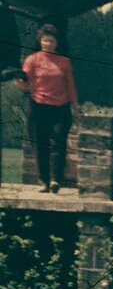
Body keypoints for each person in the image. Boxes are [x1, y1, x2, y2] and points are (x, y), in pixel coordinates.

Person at [16, 24, 78, 193]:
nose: (48, 44)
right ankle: (43, 181)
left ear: (56, 43)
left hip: (60, 106)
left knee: (59, 143)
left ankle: (56, 180)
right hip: (38, 106)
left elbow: (70, 84)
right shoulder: (32, 59)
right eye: (45, 41)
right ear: (40, 42)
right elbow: (24, 83)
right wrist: (17, 78)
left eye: (51, 41)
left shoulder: (64, 61)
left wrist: (75, 105)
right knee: (39, 144)